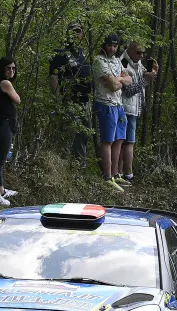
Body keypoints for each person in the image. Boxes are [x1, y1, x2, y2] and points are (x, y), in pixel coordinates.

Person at [49, 21, 92, 166]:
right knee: (68, 135)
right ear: (68, 33)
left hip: (85, 102)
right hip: (69, 101)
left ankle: (79, 167)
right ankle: (63, 167)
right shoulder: (61, 53)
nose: (76, 34)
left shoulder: (82, 52)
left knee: (84, 133)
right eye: (74, 31)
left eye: (79, 31)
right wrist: (58, 100)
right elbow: (54, 77)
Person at [93, 33, 132, 192]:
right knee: (107, 141)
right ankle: (107, 176)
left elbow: (128, 80)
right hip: (106, 104)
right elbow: (113, 86)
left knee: (119, 139)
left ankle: (116, 174)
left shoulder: (117, 60)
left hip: (119, 104)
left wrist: (119, 80)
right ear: (104, 45)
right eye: (110, 45)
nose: (112, 48)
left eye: (115, 46)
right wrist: (119, 80)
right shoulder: (98, 61)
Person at [119, 42, 158, 184]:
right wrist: (146, 79)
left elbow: (142, 81)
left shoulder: (138, 65)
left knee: (125, 142)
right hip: (124, 108)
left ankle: (121, 173)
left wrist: (152, 73)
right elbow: (129, 91)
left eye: (143, 53)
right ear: (129, 51)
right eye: (138, 52)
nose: (141, 56)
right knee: (127, 142)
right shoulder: (123, 64)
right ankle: (127, 174)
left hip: (134, 109)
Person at [0, 57, 21, 206]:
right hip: (5, 123)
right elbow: (17, 99)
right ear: (2, 69)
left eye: (14, 68)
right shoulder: (5, 83)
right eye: (8, 68)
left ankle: (1, 189)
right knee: (0, 160)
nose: (12, 71)